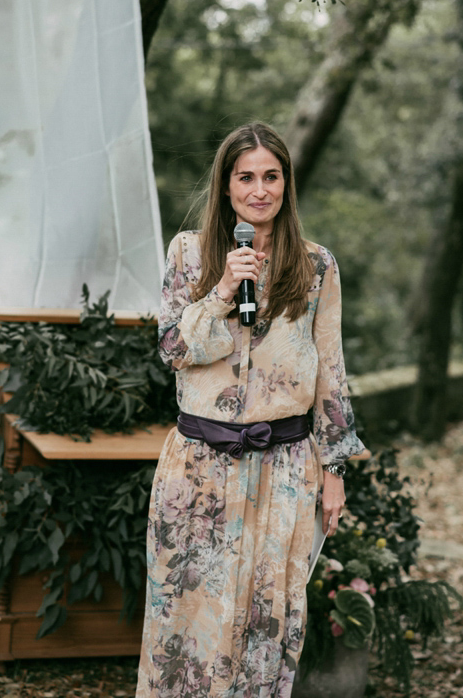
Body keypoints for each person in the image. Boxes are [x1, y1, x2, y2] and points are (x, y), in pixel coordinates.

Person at [136, 122, 368, 698]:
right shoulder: (189, 253)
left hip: (284, 468)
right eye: (246, 177)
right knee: (186, 627)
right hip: (199, 469)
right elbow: (174, 351)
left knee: (266, 625)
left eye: (271, 176)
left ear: (286, 185)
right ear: (226, 186)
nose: (259, 190)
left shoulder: (316, 267)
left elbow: (329, 370)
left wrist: (334, 470)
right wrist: (219, 292)